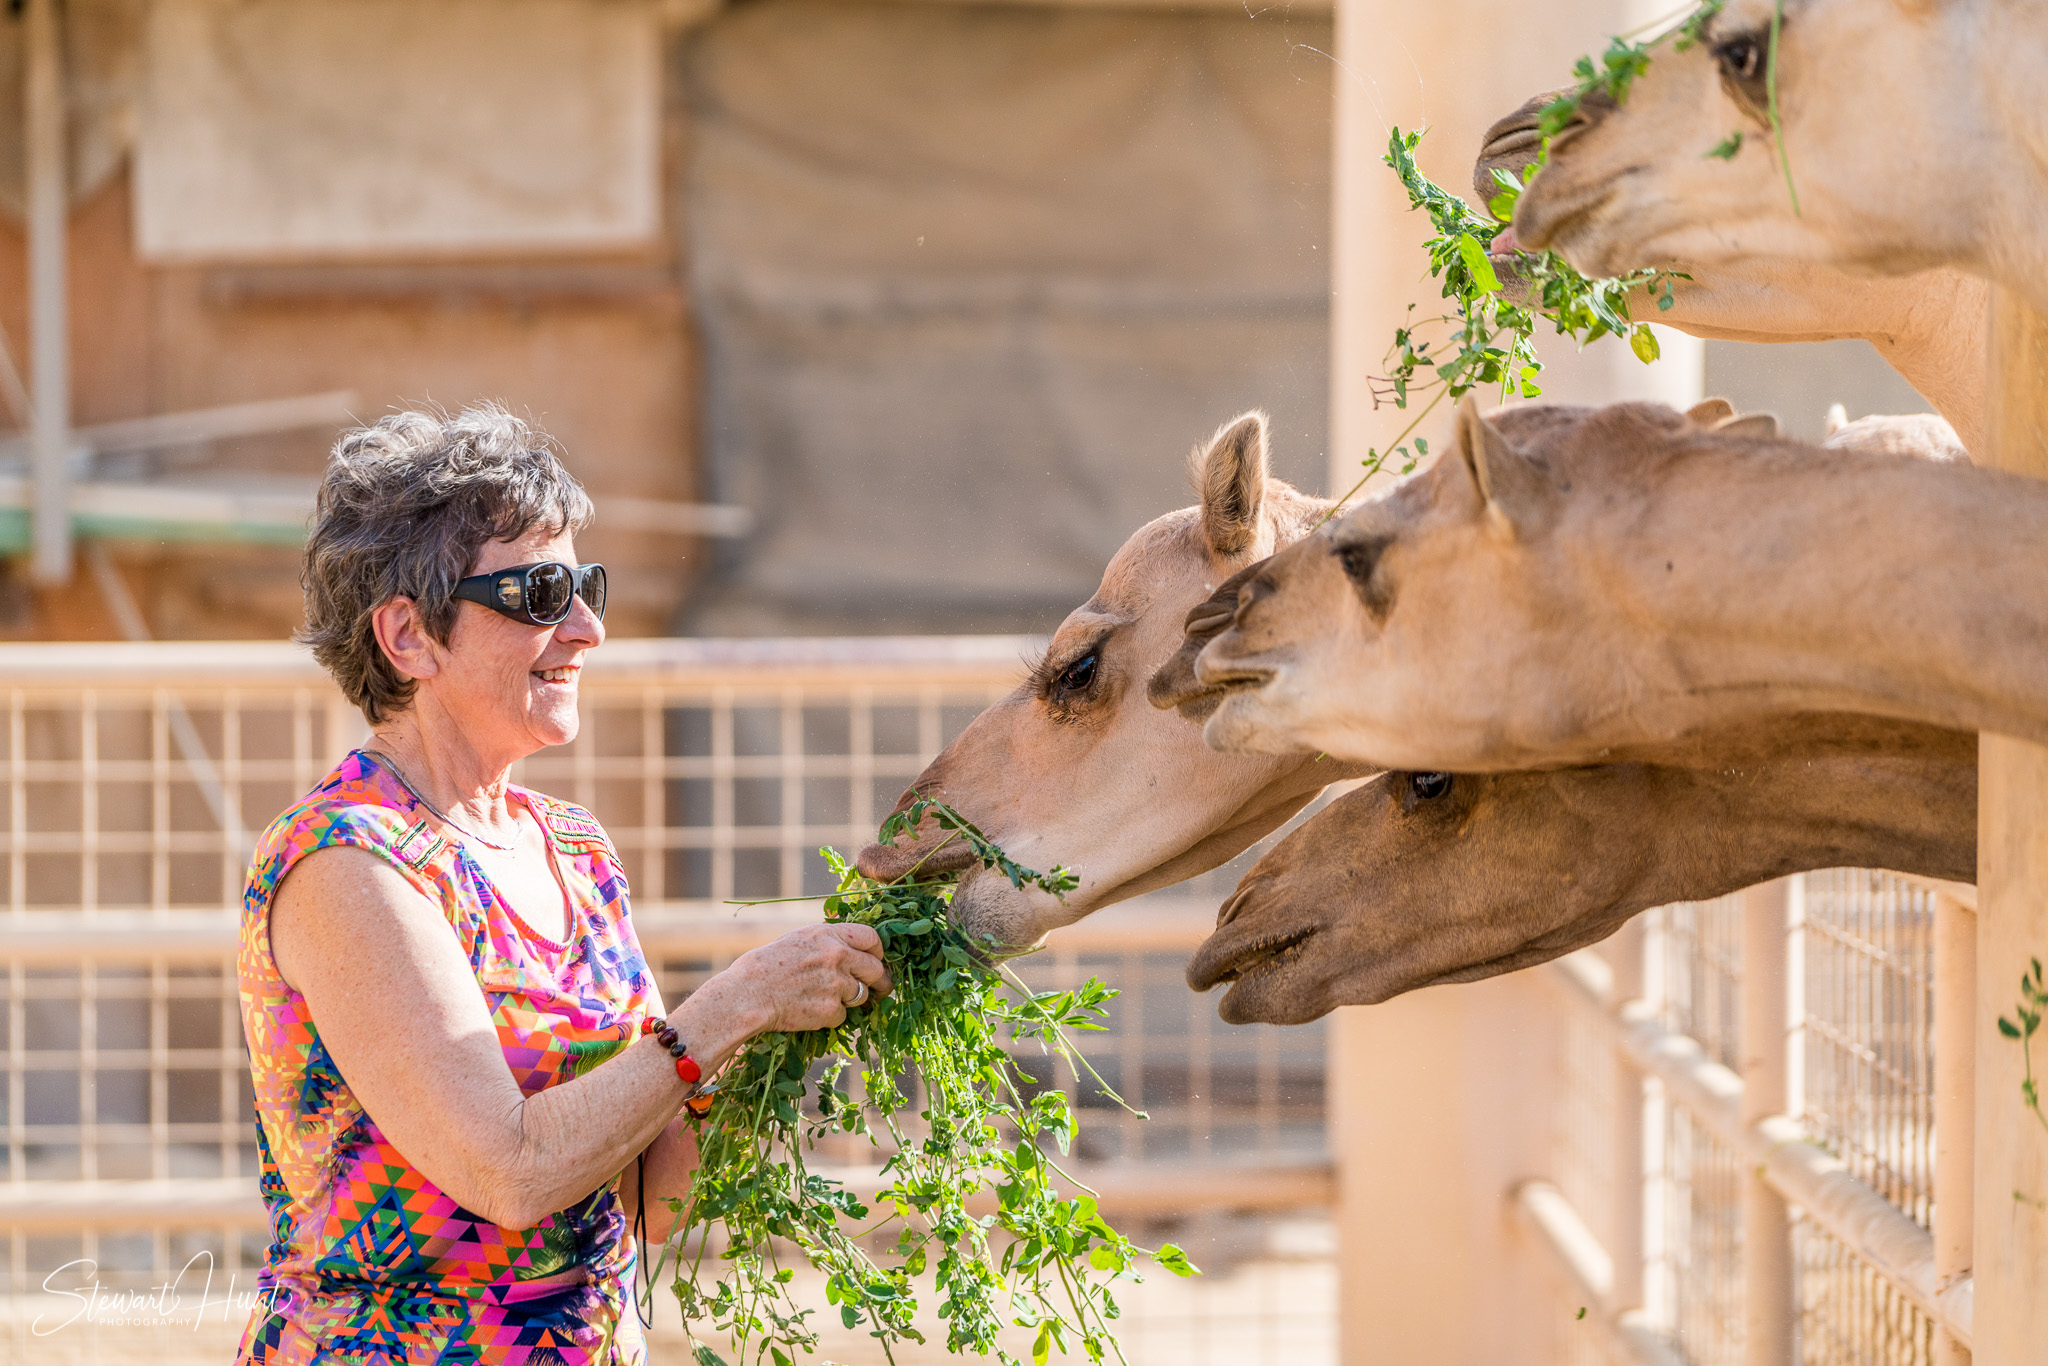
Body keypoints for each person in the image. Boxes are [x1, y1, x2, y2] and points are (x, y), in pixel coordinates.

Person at [236, 405, 889, 1365]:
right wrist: (733, 1004)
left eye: (586, 584)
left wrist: (789, 1025)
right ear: (409, 636)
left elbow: (656, 1200)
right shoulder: (347, 862)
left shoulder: (574, 849)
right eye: (542, 591)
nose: (587, 627)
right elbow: (509, 1170)